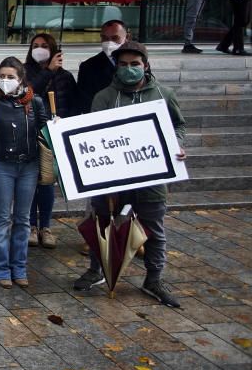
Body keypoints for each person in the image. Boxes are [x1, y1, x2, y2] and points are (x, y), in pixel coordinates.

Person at [72, 41, 186, 308]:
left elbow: (178, 125)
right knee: (102, 223)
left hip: (151, 177)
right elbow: (93, 133)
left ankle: (154, 278)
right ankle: (97, 270)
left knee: (154, 230)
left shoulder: (163, 95)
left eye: (135, 64)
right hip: (111, 178)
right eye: (123, 64)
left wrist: (177, 144)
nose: (129, 69)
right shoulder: (103, 97)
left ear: (145, 65)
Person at [0, 57, 48, 289]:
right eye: (1, 76)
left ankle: (20, 268)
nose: (5, 81)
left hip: (29, 165)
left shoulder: (34, 102)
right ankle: (1, 269)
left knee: (23, 220)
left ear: (21, 79)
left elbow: (45, 129)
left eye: (10, 77)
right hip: (2, 165)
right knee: (3, 218)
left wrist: (57, 125)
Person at [23, 33, 78, 248]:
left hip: (52, 136)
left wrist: (65, 121)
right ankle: (31, 225)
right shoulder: (25, 72)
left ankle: (45, 226)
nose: (39, 49)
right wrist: (48, 72)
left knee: (46, 182)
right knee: (30, 182)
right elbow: (27, 93)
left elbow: (74, 103)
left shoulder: (65, 77)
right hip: (30, 133)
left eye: (44, 46)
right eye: (35, 45)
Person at [76, 19, 128, 114]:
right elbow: (84, 103)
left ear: (126, 37)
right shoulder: (88, 67)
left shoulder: (137, 62)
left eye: (115, 38)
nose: (109, 43)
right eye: (104, 38)